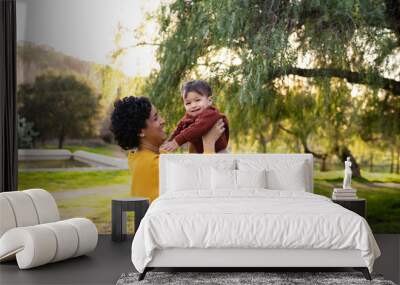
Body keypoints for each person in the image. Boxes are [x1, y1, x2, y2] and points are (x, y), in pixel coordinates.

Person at [110, 96, 225, 202]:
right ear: (141, 131)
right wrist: (209, 144)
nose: (163, 121)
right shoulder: (156, 164)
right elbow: (204, 182)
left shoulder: (136, 157)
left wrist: (196, 133)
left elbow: (190, 161)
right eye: (155, 119)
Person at [160, 80, 229, 153]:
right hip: (201, 151)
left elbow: (198, 127)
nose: (193, 105)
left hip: (218, 152)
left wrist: (177, 141)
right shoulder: (189, 116)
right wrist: (170, 142)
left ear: (209, 100)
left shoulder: (211, 113)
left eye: (197, 100)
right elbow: (179, 129)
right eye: (188, 103)